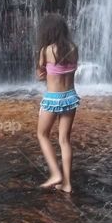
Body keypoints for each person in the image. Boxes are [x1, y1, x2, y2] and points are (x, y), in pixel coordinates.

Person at [35, 13, 79, 193]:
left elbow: (40, 75)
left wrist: (44, 72)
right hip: (70, 97)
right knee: (64, 140)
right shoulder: (74, 48)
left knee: (42, 134)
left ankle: (55, 174)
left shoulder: (46, 50)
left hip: (53, 98)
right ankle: (67, 184)